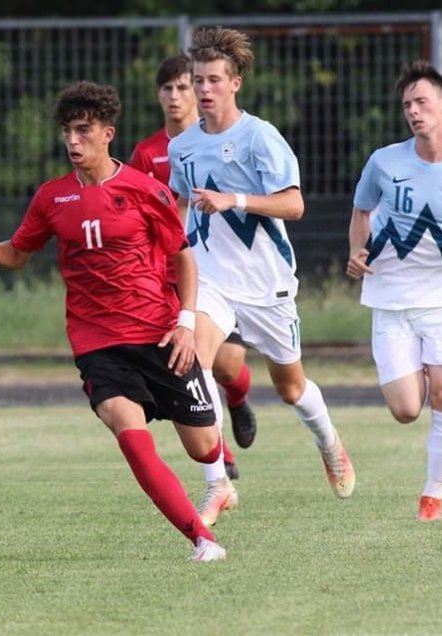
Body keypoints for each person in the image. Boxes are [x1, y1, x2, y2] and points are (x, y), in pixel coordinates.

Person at [0, 80, 227, 561]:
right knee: (130, 434)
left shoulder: (147, 191)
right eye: (67, 131)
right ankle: (201, 539)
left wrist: (187, 322)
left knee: (203, 444)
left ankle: (219, 475)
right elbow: (18, 253)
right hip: (98, 345)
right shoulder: (51, 198)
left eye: (83, 130)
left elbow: (183, 259)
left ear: (108, 133)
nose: (72, 141)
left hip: (160, 333)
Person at [168, 27, 356, 526]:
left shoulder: (260, 137)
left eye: (212, 80)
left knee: (291, 388)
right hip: (211, 282)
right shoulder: (183, 147)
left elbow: (294, 204)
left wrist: (235, 199)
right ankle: (218, 483)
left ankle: (330, 442)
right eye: (196, 81)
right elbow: (181, 203)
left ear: (235, 84)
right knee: (193, 364)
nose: (203, 90)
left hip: (267, 286)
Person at [130, 53, 259, 485]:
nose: (176, 95)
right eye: (167, 88)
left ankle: (238, 399)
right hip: (176, 279)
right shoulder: (149, 153)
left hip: (227, 270)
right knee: (192, 363)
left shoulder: (222, 142)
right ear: (157, 95)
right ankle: (218, 456)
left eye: (184, 86)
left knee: (226, 366)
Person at [347, 60, 442, 521]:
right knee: (406, 409)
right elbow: (361, 211)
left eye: (422, 101)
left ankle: (434, 490)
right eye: (407, 104)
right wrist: (357, 252)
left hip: (439, 301)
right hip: (389, 299)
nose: (414, 111)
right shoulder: (385, 161)